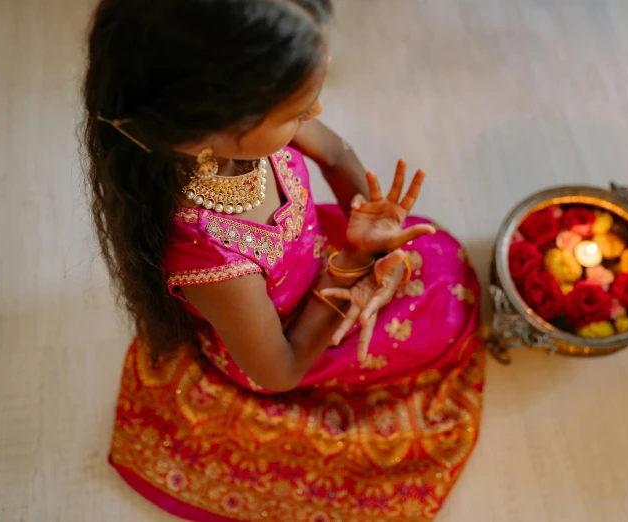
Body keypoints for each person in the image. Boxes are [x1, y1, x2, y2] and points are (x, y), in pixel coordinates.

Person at [83, 1, 485, 520]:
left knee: (442, 258)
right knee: (445, 320)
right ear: (208, 129)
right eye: (297, 111)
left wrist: (371, 226)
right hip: (291, 332)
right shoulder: (207, 254)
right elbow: (281, 368)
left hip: (323, 255)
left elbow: (337, 156)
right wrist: (353, 264)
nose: (313, 114)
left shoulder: (242, 123)